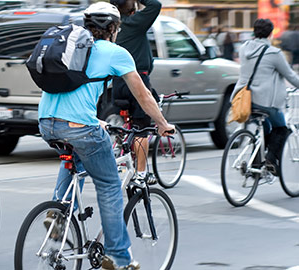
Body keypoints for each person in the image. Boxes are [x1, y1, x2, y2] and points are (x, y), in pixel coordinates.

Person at [38, 2, 174, 269]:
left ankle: (57, 212)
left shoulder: (72, 46)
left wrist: (97, 120)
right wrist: (161, 122)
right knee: (110, 186)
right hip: (78, 126)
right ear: (113, 28)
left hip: (46, 123)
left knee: (75, 155)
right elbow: (143, 95)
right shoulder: (116, 52)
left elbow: (71, 92)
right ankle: (119, 257)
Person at [231, 18, 299, 175]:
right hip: (265, 101)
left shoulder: (244, 48)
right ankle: (270, 161)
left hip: (245, 100)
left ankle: (257, 164)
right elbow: (291, 76)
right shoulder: (274, 53)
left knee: (266, 128)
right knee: (281, 128)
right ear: (270, 34)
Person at [110, 0, 161, 184]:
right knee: (142, 128)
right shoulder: (135, 23)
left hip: (118, 85)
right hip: (137, 81)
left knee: (127, 124)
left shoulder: (114, 26)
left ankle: (123, 151)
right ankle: (141, 174)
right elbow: (155, 5)